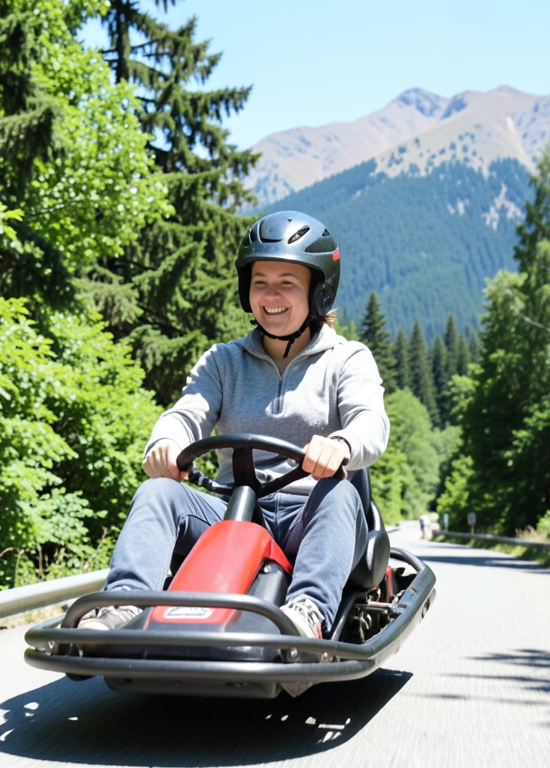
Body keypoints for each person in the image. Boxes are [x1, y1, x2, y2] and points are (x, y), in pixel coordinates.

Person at [78, 211, 390, 639]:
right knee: (157, 492)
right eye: (260, 282)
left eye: (287, 283)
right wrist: (167, 442)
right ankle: (123, 605)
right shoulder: (223, 361)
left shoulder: (347, 359)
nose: (271, 295)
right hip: (234, 515)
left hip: (313, 518)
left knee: (339, 492)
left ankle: (306, 615)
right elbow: (186, 413)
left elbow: (370, 423)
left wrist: (342, 443)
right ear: (247, 290)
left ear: (318, 292)